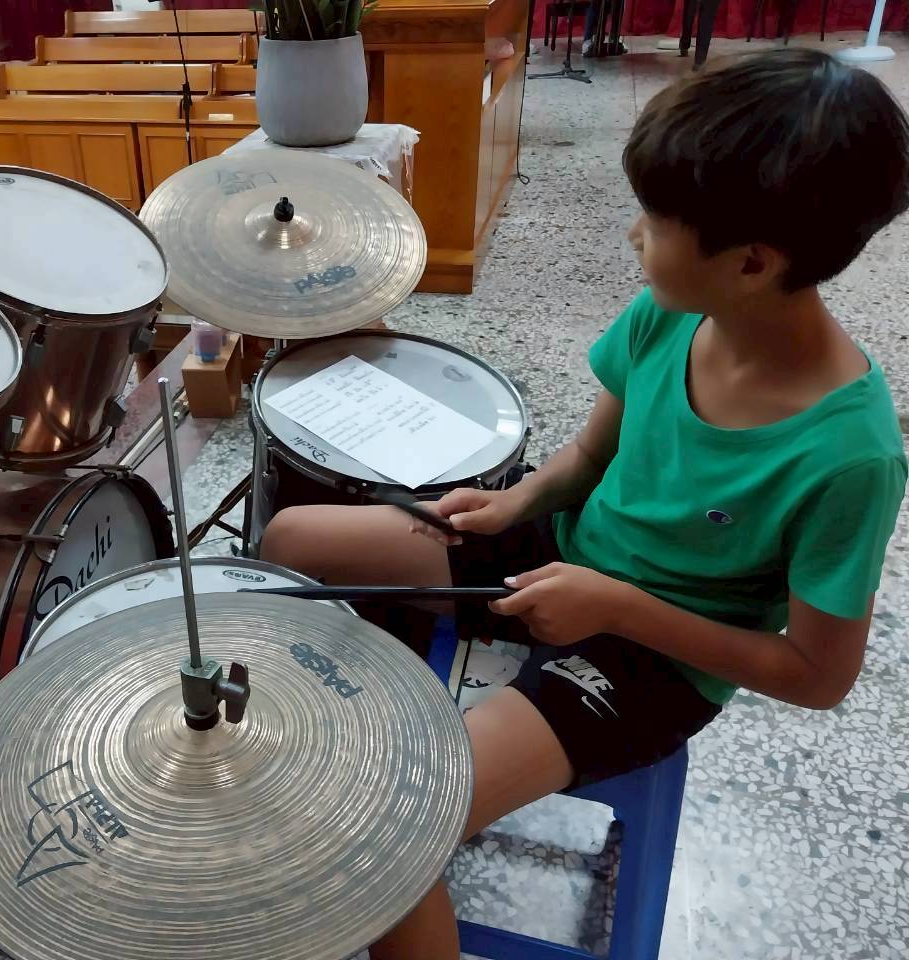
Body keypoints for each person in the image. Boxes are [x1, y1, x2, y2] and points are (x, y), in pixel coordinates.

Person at [260, 48, 909, 960]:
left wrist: (617, 607)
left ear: (753, 263)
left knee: (393, 834)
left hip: (657, 659)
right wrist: (516, 502)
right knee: (294, 536)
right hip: (566, 550)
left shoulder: (850, 456)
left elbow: (816, 675)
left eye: (657, 222)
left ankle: (390, 795)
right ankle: (338, 738)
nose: (635, 236)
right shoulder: (670, 313)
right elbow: (590, 455)